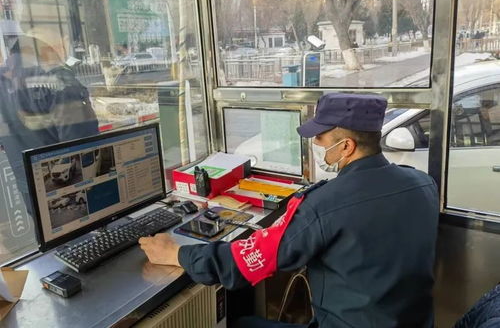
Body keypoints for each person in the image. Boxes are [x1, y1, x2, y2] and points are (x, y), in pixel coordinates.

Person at [139, 93, 439, 328]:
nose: (315, 143)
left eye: (320, 137)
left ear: (346, 146)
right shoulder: (423, 184)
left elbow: (245, 263)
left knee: (242, 323)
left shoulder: (326, 204)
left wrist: (176, 253)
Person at [0, 35, 99, 214]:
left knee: (50, 236)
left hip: (28, 183)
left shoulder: (3, 82)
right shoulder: (58, 81)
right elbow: (82, 140)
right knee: (86, 235)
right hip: (69, 185)